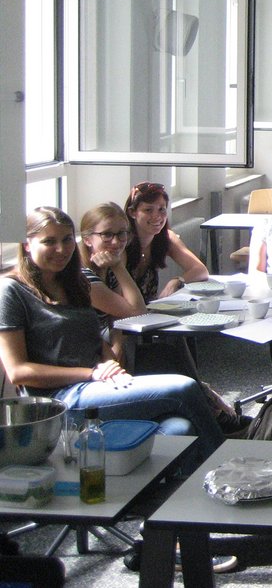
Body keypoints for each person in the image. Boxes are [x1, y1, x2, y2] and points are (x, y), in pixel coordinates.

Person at [0, 208, 225, 469]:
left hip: (96, 387)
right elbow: (19, 372)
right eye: (49, 241)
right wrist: (91, 373)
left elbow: (94, 340)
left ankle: (162, 502)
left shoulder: (74, 281)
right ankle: (225, 470)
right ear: (27, 245)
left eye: (65, 240)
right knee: (183, 388)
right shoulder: (11, 291)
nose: (61, 249)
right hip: (60, 402)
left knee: (178, 427)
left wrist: (114, 369)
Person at [124, 181, 209, 300]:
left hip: (149, 312)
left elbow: (201, 270)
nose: (157, 216)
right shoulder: (121, 242)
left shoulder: (166, 237)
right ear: (132, 212)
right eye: (148, 210)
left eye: (161, 209)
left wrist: (177, 281)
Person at [78, 202, 146, 336]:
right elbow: (138, 312)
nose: (116, 242)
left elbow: (118, 313)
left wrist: (118, 341)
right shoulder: (83, 276)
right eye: (106, 234)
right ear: (87, 240)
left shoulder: (112, 260)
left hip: (103, 339)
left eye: (121, 233)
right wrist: (118, 267)